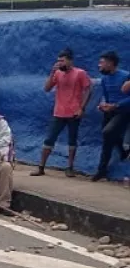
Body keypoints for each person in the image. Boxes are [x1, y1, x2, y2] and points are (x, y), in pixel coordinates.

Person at [31, 49, 92, 178]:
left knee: (72, 140)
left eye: (62, 60)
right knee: (49, 139)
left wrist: (82, 108)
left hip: (74, 112)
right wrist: (52, 72)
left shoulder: (80, 73)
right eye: (58, 60)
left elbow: (88, 89)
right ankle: (41, 167)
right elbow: (47, 88)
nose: (59, 63)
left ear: (70, 61)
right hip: (58, 112)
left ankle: (70, 168)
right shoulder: (57, 73)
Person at [93, 51, 130, 181]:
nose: (99, 66)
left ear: (110, 63)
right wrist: (103, 104)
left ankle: (123, 151)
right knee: (107, 141)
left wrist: (116, 105)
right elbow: (105, 96)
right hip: (109, 111)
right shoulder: (104, 79)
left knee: (107, 132)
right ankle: (101, 171)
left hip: (123, 111)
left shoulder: (126, 76)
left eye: (102, 63)